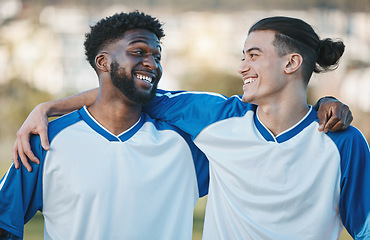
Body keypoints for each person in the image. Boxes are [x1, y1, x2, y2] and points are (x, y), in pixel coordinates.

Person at [10, 16, 357, 239]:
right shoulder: (212, 120)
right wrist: (49, 107)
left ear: (292, 63)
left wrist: (326, 103)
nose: (242, 67)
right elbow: (124, 91)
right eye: (243, 56)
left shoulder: (341, 141)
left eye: (252, 55)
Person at [0, 11, 209, 240]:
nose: (152, 64)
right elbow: (5, 224)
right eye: (138, 52)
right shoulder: (45, 141)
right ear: (103, 62)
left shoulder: (187, 146)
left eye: (157, 57)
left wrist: (49, 106)